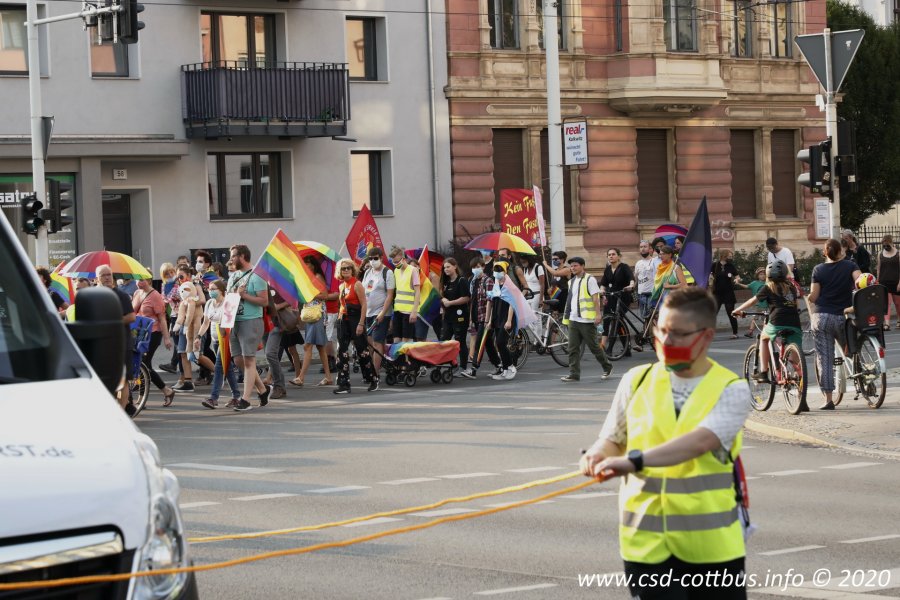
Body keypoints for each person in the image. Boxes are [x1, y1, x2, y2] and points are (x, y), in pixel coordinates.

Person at [580, 287, 752, 600]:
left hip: (711, 549)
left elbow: (699, 442)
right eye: (661, 330)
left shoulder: (732, 388)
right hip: (645, 546)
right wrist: (595, 455)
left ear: (707, 336)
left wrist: (633, 462)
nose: (666, 340)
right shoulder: (635, 379)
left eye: (678, 333)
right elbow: (612, 439)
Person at [808, 238, 861, 410]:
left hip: (822, 317)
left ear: (825, 253)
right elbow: (861, 282)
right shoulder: (850, 265)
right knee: (852, 349)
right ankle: (864, 380)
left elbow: (814, 296)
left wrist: (808, 297)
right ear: (840, 251)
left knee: (825, 358)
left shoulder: (818, 269)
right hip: (842, 316)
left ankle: (828, 399)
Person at [733, 260, 802, 384]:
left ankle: (764, 372)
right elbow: (796, 304)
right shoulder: (791, 286)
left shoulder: (768, 287)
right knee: (794, 351)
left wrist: (737, 310)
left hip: (777, 321)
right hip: (794, 322)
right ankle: (799, 375)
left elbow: (753, 301)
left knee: (764, 338)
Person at [227, 244, 272, 412]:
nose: (231, 259)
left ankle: (245, 400)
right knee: (238, 360)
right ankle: (263, 390)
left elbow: (264, 301)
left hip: (251, 321)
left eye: (233, 256)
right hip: (234, 321)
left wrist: (244, 295)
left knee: (249, 360)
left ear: (242, 256)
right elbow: (229, 297)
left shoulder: (257, 276)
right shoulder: (233, 276)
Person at [561, 256, 613, 383]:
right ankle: (574, 374)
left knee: (594, 347)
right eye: (571, 266)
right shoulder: (571, 281)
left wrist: (598, 315)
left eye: (575, 265)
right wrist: (567, 316)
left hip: (586, 320)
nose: (573, 268)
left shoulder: (590, 279)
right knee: (572, 348)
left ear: (582, 266)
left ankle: (607, 367)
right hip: (574, 319)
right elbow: (571, 300)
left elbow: (595, 298)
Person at [333, 260, 379, 394]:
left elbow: (364, 305)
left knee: (362, 351)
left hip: (355, 320)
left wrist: (361, 323)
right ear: (340, 271)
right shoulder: (341, 286)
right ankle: (344, 384)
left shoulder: (357, 284)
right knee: (341, 352)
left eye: (348, 268)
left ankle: (372, 379)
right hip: (343, 321)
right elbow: (341, 305)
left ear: (352, 270)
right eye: (343, 269)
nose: (346, 270)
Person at [95, 265, 136, 412]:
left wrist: (112, 321)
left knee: (122, 380)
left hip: (121, 344)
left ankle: (121, 412)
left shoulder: (121, 295)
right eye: (103, 275)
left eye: (109, 274)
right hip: (102, 344)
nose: (107, 278)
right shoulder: (94, 296)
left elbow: (131, 317)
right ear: (97, 278)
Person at [195, 279, 241, 409]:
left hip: (226, 338)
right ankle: (236, 396)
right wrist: (199, 336)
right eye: (209, 289)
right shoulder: (210, 303)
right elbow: (206, 322)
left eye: (213, 289)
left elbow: (228, 323)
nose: (210, 291)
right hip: (215, 340)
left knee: (219, 367)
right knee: (227, 368)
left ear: (221, 290)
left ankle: (213, 398)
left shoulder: (227, 303)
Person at [131, 277, 176, 406]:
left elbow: (162, 318)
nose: (138, 282)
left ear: (149, 281)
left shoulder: (155, 296)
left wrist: (166, 338)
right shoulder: (137, 293)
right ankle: (166, 391)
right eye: (137, 280)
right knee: (143, 366)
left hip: (153, 333)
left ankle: (143, 398)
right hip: (139, 333)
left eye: (141, 280)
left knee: (143, 364)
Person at [295, 256, 334, 387]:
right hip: (310, 315)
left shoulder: (317, 277)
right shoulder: (309, 279)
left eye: (307, 264)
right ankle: (328, 377)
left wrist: (310, 293)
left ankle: (301, 377)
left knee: (308, 346)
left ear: (313, 265)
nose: (306, 266)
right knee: (320, 347)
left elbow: (325, 295)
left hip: (317, 314)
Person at [462, 255, 498, 379]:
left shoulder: (488, 281)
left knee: (479, 343)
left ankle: (473, 369)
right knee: (488, 343)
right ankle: (498, 365)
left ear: (483, 267)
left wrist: (488, 320)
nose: (475, 269)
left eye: (477, 267)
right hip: (477, 316)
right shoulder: (473, 281)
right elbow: (473, 300)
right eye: (473, 267)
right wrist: (471, 318)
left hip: (485, 317)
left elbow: (490, 301)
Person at [362, 247, 395, 379]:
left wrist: (382, 313)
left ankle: (375, 373)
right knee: (370, 344)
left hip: (381, 313)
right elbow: (364, 291)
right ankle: (376, 367)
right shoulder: (367, 272)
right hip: (368, 313)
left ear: (381, 258)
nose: (372, 261)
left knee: (377, 342)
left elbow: (390, 295)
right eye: (370, 259)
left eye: (375, 258)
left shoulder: (388, 273)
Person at [483, 261, 517, 380]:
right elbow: (493, 304)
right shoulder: (496, 286)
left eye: (499, 270)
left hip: (506, 318)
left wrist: (509, 320)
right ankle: (505, 370)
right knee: (498, 344)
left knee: (501, 342)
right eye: (495, 270)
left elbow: (512, 304)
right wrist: (490, 320)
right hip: (497, 317)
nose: (497, 272)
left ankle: (511, 366)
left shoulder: (509, 286)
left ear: (505, 271)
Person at [599, 248, 635, 351]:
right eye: (609, 254)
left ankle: (610, 348)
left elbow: (631, 279)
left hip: (622, 297)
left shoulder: (624, 267)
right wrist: (602, 292)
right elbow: (603, 284)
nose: (611, 256)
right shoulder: (607, 269)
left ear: (619, 256)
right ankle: (623, 348)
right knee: (607, 320)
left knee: (617, 322)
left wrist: (631, 286)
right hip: (611, 297)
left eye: (613, 254)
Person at [440, 258, 470, 374]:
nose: (446, 269)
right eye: (445, 267)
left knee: (460, 341)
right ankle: (453, 364)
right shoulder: (446, 282)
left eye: (448, 267)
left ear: (455, 267)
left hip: (460, 317)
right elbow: (442, 296)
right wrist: (443, 299)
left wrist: (451, 303)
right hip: (448, 317)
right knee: (444, 341)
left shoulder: (461, 281)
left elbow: (466, 298)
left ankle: (463, 367)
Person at [389, 246, 421, 342]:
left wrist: (414, 311)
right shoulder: (396, 271)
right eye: (394, 262)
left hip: (409, 311)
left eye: (397, 262)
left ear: (403, 259)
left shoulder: (413, 270)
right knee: (396, 340)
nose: (395, 264)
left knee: (406, 341)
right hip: (397, 310)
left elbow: (417, 291)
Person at [711, 249, 741, 339]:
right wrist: (710, 278)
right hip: (717, 293)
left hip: (728, 292)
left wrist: (737, 280)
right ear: (724, 256)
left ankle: (735, 333)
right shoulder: (715, 265)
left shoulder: (730, 266)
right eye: (729, 256)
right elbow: (709, 275)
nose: (731, 258)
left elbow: (737, 276)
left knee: (731, 313)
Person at [650, 245, 687, 310]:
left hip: (673, 302)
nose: (661, 256)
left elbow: (684, 285)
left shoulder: (676, 268)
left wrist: (669, 286)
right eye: (660, 254)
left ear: (670, 255)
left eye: (663, 254)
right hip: (660, 301)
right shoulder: (659, 268)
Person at [876, 234, 900, 330]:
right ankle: (887, 323)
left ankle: (899, 320)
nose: (886, 246)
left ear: (891, 243)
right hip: (884, 282)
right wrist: (877, 280)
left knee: (898, 303)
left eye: (887, 244)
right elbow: (878, 268)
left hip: (896, 282)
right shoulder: (880, 254)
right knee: (887, 303)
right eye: (884, 245)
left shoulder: (898, 254)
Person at [743, 266, 768, 338]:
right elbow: (746, 286)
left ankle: (765, 333)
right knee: (754, 318)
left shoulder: (768, 283)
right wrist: (738, 283)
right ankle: (750, 331)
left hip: (765, 305)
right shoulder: (754, 283)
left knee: (765, 320)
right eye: (761, 274)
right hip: (757, 305)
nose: (762, 276)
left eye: (764, 274)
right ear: (757, 276)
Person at [633, 240, 655, 319]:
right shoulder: (638, 263)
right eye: (641, 247)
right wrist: (632, 287)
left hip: (652, 293)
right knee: (644, 317)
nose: (642, 249)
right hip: (641, 294)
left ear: (650, 248)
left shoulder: (655, 261)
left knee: (652, 317)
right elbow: (636, 278)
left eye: (645, 247)